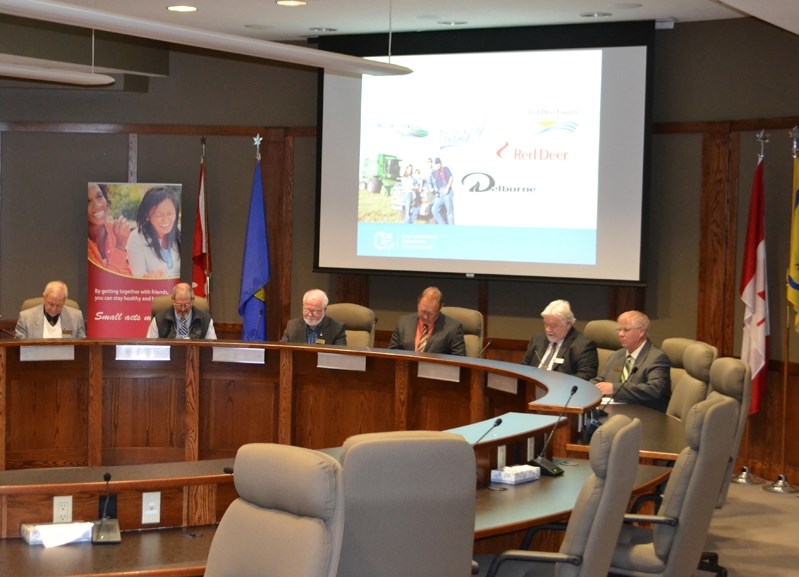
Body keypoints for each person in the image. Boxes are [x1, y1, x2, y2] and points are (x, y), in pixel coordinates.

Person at [590, 310, 671, 412]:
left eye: (626, 330)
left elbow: (654, 389)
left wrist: (614, 389)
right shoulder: (618, 355)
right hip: (615, 411)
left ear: (641, 332)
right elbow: (602, 379)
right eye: (619, 330)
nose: (621, 334)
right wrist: (586, 387)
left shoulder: (657, 358)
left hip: (644, 413)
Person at [522, 299, 598, 381]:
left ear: (568, 324)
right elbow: (524, 367)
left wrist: (557, 381)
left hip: (561, 390)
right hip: (532, 388)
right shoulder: (537, 339)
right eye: (546, 324)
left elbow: (586, 376)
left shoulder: (583, 346)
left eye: (553, 325)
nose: (548, 329)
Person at [388, 286, 466, 355]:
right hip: (406, 369)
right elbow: (391, 354)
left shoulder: (453, 328)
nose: (425, 316)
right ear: (418, 304)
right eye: (423, 311)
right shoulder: (403, 323)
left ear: (440, 308)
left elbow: (459, 362)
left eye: (430, 313)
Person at [127, 186, 181, 278]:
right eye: (159, 215)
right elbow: (138, 278)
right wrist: (149, 278)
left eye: (170, 213)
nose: (166, 220)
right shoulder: (136, 238)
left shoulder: (180, 231)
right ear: (147, 215)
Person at [15, 281, 86, 339]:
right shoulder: (25, 318)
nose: (54, 309)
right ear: (44, 297)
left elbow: (82, 347)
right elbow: (18, 348)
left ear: (64, 301)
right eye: (51, 304)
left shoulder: (76, 317)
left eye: (58, 305)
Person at [87, 183, 132, 275]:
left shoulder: (115, 230)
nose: (97, 205)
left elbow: (126, 274)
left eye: (99, 196)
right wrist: (120, 246)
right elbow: (103, 284)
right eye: (87, 201)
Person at [146, 282, 216, 339]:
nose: (183, 309)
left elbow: (212, 348)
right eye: (179, 305)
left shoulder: (206, 320)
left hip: (196, 355)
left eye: (186, 305)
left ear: (192, 300)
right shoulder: (159, 320)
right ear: (173, 300)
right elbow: (150, 347)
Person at [281, 288, 347, 345]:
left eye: (315, 311)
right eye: (306, 310)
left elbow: (340, 357)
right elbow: (282, 352)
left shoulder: (337, 329)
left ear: (324, 310)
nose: (310, 315)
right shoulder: (292, 326)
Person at [430, 157, 455, 225]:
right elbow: (432, 182)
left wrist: (447, 188)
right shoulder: (434, 173)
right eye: (436, 164)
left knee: (449, 212)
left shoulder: (445, 169)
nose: (437, 165)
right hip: (440, 194)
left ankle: (451, 229)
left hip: (447, 192)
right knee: (434, 210)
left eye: (438, 163)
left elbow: (451, 177)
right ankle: (443, 225)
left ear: (441, 163)